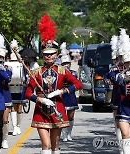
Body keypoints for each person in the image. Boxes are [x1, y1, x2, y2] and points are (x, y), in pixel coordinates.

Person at [25, 14, 83, 154]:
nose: (49, 56)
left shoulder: (63, 71)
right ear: (42, 55)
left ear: (56, 55)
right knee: (45, 146)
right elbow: (27, 93)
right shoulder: (36, 72)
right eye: (46, 54)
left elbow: (78, 85)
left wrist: (61, 92)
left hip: (58, 108)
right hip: (41, 110)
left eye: (51, 54)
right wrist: (40, 99)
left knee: (54, 146)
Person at [108, 35, 124, 154]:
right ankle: (121, 148)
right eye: (121, 56)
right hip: (118, 96)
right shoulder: (114, 68)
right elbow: (113, 78)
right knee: (118, 122)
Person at [6, 39, 25, 136]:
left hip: (20, 87)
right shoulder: (7, 64)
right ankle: (14, 127)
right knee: (12, 107)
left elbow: (25, 76)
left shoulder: (21, 64)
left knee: (20, 108)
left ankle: (18, 125)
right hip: (10, 87)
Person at [60, 55, 79, 142]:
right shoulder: (59, 74)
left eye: (67, 63)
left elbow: (75, 83)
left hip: (71, 95)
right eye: (64, 63)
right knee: (62, 116)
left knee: (71, 116)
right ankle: (64, 134)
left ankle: (69, 133)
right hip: (62, 96)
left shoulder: (74, 73)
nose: (66, 65)